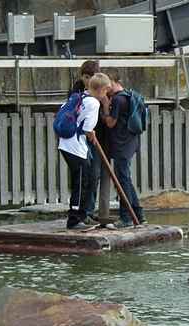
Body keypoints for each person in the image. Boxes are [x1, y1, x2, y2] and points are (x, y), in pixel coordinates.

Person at [58, 73, 111, 230]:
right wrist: (91, 132)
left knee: (84, 180)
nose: (106, 94)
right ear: (101, 90)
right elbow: (88, 128)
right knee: (81, 183)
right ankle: (74, 219)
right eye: (106, 91)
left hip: (66, 144)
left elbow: (63, 111)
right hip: (75, 147)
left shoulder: (79, 97)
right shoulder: (94, 103)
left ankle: (81, 216)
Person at [99, 72, 146, 227]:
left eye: (107, 85)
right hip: (130, 143)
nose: (105, 89)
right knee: (125, 179)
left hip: (121, 145)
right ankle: (138, 214)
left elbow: (111, 123)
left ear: (113, 82)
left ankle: (125, 218)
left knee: (122, 181)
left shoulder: (118, 99)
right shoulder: (130, 95)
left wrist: (105, 107)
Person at [69, 60, 107, 225]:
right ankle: (79, 214)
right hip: (81, 137)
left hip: (96, 137)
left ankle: (88, 211)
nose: (88, 80)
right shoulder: (77, 89)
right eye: (85, 77)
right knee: (83, 177)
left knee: (94, 175)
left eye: (90, 76)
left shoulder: (101, 88)